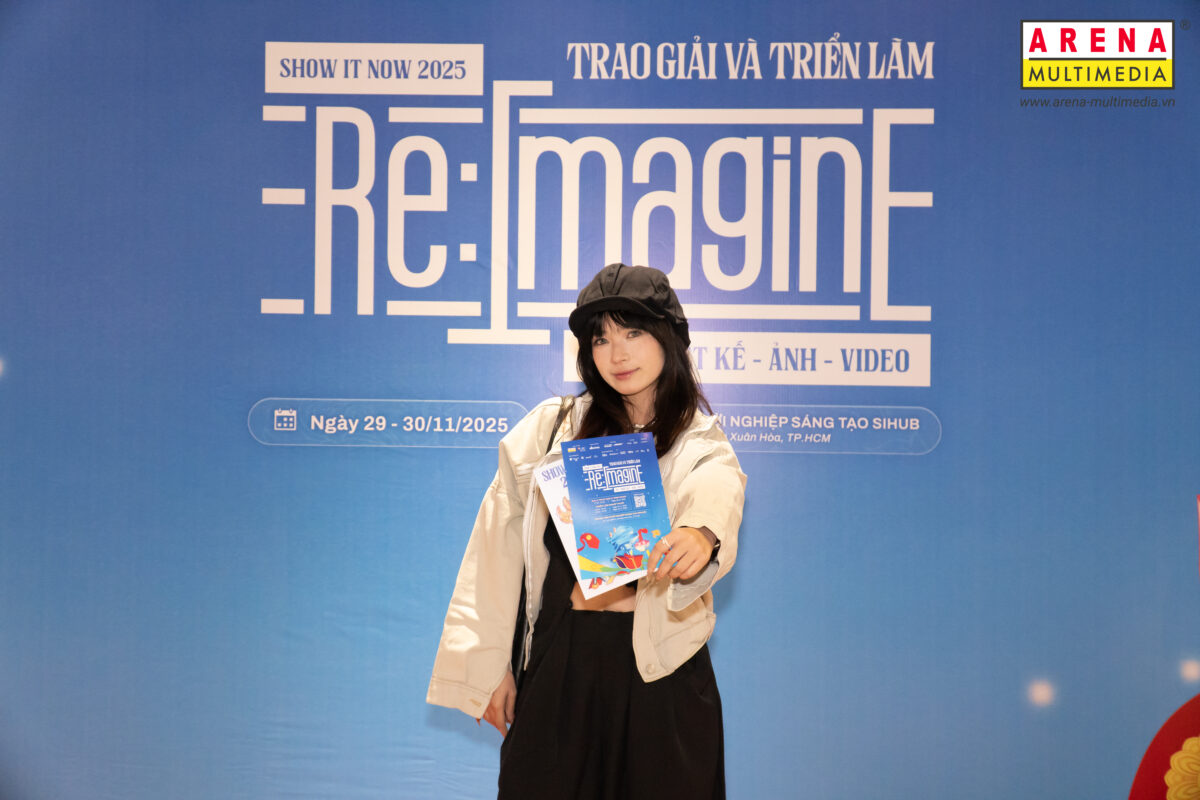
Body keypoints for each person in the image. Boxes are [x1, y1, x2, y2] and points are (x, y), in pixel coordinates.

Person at [428, 263, 746, 799]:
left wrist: (701, 534)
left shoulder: (698, 440)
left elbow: (717, 488)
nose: (617, 354)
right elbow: (495, 544)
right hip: (562, 664)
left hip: (661, 672)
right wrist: (489, 665)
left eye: (633, 333)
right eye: (601, 339)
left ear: (668, 337)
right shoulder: (553, 427)